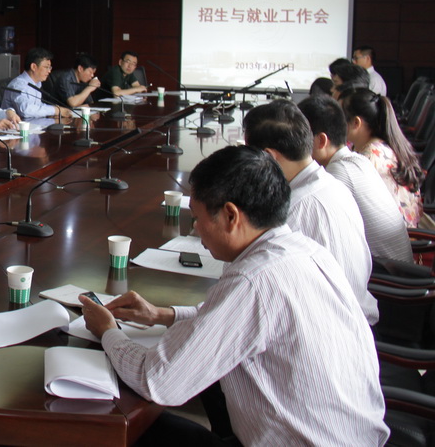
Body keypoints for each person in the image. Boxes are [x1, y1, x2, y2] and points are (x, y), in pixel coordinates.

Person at [78, 145, 388, 446]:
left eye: (197, 217)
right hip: (354, 437)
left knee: (129, 430)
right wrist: (163, 315)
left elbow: (157, 381)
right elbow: (235, 320)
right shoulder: (306, 251)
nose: (196, 229)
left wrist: (108, 332)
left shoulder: (253, 280)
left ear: (230, 215)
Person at [243, 100, 376, 324]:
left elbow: (252, 292)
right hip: (355, 318)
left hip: (332, 326)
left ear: (269, 157)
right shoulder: (331, 184)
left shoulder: (290, 211)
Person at [298, 96, 412, 262]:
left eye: (300, 139)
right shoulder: (357, 160)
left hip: (386, 271)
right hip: (394, 266)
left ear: (321, 140)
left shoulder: (338, 173)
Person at [341, 88, 424, 227]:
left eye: (341, 118)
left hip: (396, 236)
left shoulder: (370, 156)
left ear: (356, 123)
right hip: (401, 232)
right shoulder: (386, 144)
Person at [1, 47, 71, 119]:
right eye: (46, 67)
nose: (49, 71)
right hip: (17, 125)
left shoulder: (36, 83)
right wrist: (55, 110)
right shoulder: (18, 85)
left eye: (50, 68)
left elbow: (37, 106)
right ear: (33, 67)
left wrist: (50, 113)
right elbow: (25, 110)